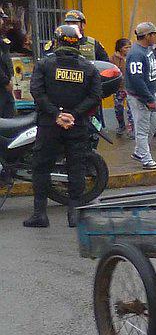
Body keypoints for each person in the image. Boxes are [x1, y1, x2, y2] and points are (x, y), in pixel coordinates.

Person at [21, 22, 103, 228]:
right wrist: (73, 114)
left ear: (57, 42)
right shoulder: (88, 68)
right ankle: (74, 214)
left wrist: (56, 114)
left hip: (50, 124)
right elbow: (95, 96)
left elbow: (37, 92)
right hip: (76, 125)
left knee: (41, 167)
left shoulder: (44, 64)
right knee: (76, 166)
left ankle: (40, 214)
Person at [123, 21, 156, 170]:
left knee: (155, 123)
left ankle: (139, 151)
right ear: (147, 36)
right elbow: (136, 79)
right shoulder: (136, 54)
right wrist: (148, 98)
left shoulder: (148, 49)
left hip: (152, 93)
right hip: (141, 97)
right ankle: (146, 159)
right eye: (154, 34)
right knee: (142, 128)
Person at [108, 38, 132, 133]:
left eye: (130, 47)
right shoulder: (113, 59)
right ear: (120, 48)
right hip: (118, 87)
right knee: (119, 108)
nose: (128, 49)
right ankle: (121, 125)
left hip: (130, 87)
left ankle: (131, 129)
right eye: (126, 47)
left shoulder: (132, 56)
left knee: (131, 109)